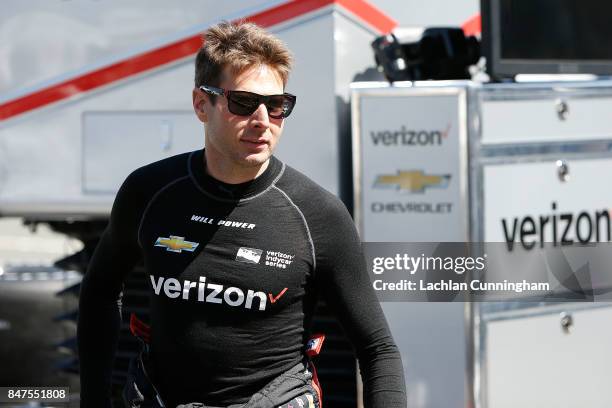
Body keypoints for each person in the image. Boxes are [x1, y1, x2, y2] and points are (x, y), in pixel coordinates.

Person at [77, 21, 406, 408]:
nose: (263, 120)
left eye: (278, 105)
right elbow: (99, 292)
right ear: (202, 104)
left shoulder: (318, 213)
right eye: (244, 103)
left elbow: (378, 349)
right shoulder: (149, 192)